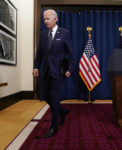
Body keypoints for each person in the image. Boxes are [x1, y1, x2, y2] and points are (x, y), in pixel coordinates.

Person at [33, 9, 74, 138]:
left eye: (48, 19)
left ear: (56, 19)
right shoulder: (43, 35)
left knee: (55, 100)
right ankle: (62, 111)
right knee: (45, 96)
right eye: (44, 19)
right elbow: (39, 53)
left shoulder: (65, 33)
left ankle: (53, 127)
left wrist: (70, 69)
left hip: (58, 72)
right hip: (45, 71)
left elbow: (71, 54)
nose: (45, 21)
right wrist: (35, 67)